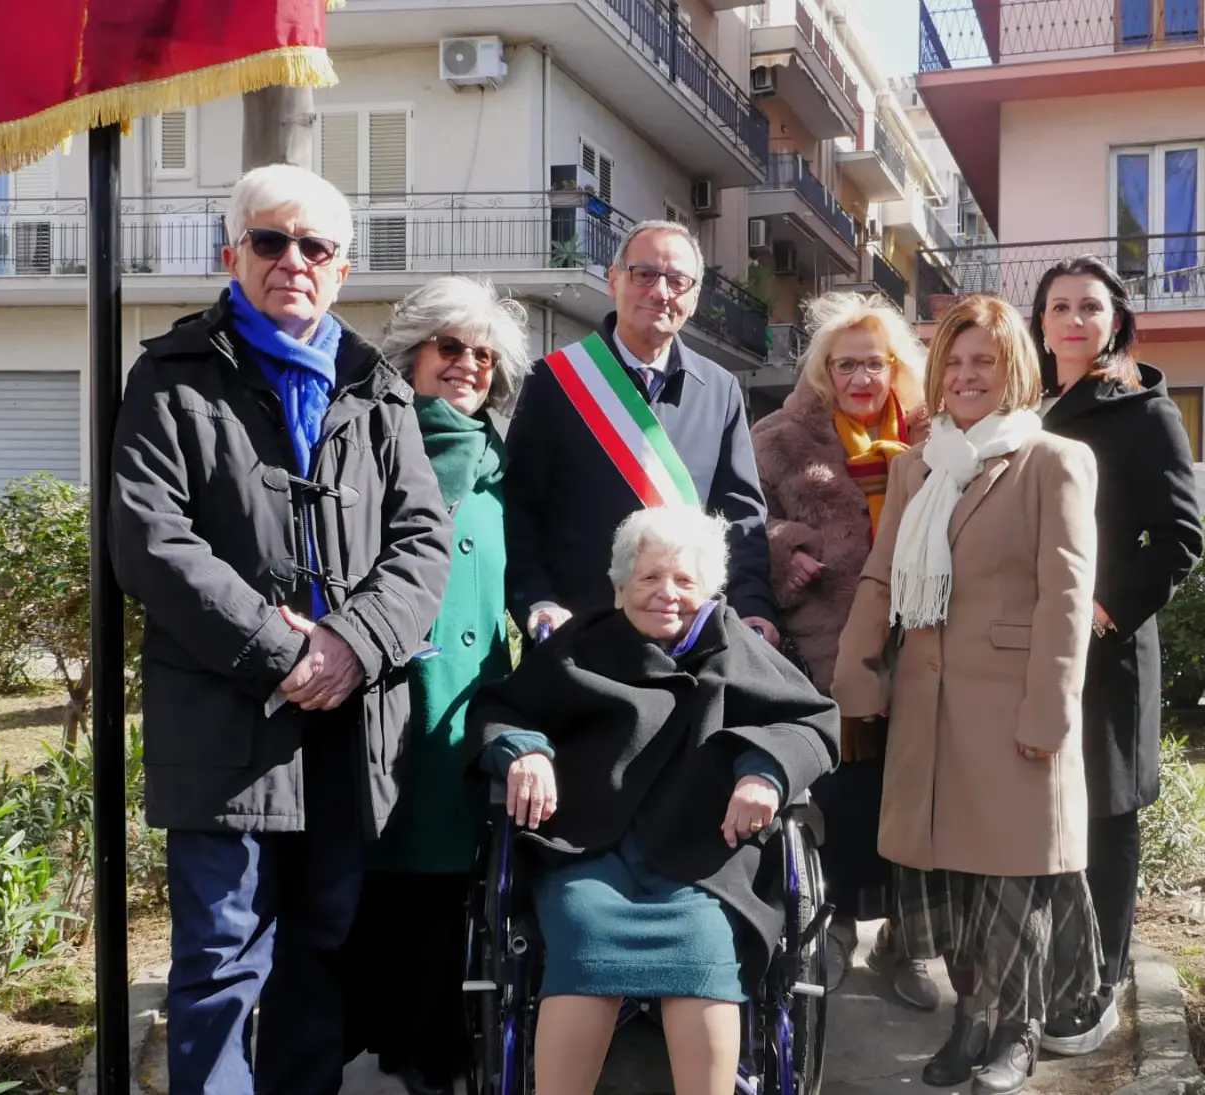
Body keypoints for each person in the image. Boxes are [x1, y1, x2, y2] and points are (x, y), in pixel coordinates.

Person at [109, 164, 453, 1095]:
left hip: (347, 730)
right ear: (233, 256)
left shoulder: (376, 386)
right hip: (224, 725)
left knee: (321, 955)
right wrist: (286, 650)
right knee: (219, 964)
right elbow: (149, 540)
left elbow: (425, 538)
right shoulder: (172, 375)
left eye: (315, 246)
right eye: (270, 240)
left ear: (341, 269)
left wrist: (351, 645)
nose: (291, 260)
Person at [471, 505, 839, 1095]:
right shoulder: (582, 645)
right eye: (649, 578)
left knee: (704, 946)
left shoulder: (735, 647)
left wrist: (764, 774)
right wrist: (523, 751)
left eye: (686, 581)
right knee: (585, 938)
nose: (667, 594)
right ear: (619, 588)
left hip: (703, 855)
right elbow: (501, 708)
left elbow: (811, 722)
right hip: (593, 847)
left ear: (711, 590)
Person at [832, 294, 1103, 1095]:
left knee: (1013, 883)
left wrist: (1052, 709)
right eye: (952, 360)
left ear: (1012, 365)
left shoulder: (1053, 459)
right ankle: (969, 1017)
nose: (966, 374)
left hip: (1015, 708)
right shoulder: (919, 463)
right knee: (945, 882)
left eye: (983, 359)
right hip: (927, 708)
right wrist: (854, 668)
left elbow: (1066, 592)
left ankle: (1013, 1032)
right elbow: (883, 573)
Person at [341, 276, 530, 1092]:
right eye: (449, 347)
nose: (467, 366)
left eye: (483, 354)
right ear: (410, 354)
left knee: (454, 899)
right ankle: (392, 1047)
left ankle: (441, 1056)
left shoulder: (499, 466)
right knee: (388, 891)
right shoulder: (370, 439)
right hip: (389, 703)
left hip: (469, 710)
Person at [1030, 257, 1203, 1056]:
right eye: (1058, 306)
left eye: (1088, 307)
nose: (1072, 320)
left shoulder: (1142, 410)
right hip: (1023, 638)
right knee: (1038, 802)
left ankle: (1101, 973)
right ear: (1039, 320)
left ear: (1115, 320)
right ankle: (1038, 963)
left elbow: (1179, 538)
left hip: (1106, 646)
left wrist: (1099, 614)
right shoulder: (1025, 403)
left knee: (1106, 809)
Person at [750, 291, 941, 1007]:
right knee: (839, 797)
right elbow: (742, 523)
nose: (862, 377)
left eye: (876, 363)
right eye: (846, 364)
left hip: (922, 645)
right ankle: (829, 930)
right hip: (824, 655)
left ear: (898, 369)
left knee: (916, 796)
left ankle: (909, 942)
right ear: (824, 370)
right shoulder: (779, 438)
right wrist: (783, 552)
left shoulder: (938, 438)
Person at [505, 220, 779, 645]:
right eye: (644, 274)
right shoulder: (554, 380)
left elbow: (740, 516)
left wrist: (754, 607)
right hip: (581, 635)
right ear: (614, 278)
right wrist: (537, 601)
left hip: (690, 638)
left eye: (677, 280)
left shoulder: (720, 389)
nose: (660, 292)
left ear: (695, 296)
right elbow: (519, 510)